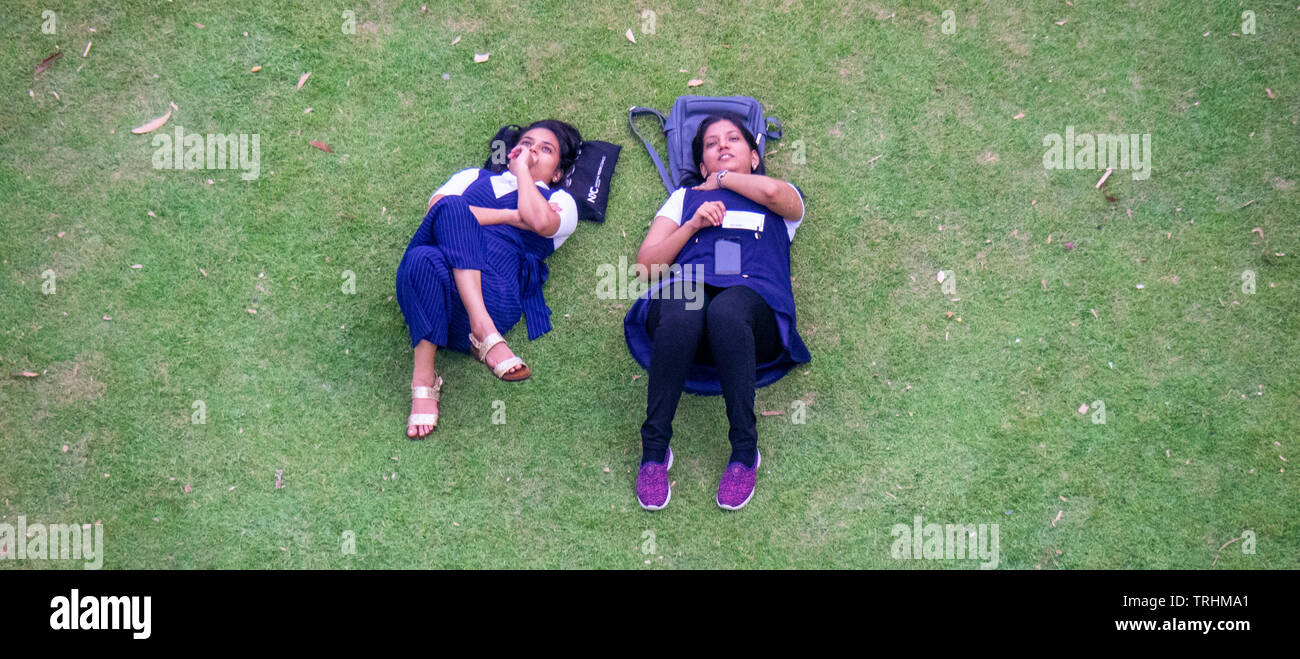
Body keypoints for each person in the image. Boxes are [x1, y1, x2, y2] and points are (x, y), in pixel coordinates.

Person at [625, 113, 810, 510]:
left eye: (733, 140)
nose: (723, 146)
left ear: (755, 157)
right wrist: (691, 225)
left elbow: (781, 195)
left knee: (728, 308)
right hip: (687, 319)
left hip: (749, 314)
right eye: (712, 144)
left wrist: (724, 181)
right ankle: (654, 451)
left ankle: (745, 451)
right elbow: (645, 268)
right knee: (684, 304)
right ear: (702, 164)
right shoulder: (683, 199)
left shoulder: (779, 194)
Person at [396, 120, 582, 438]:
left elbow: (540, 221)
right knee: (423, 253)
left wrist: (523, 171)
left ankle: (481, 325)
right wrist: (510, 217)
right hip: (430, 290)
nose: (533, 150)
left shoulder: (561, 202)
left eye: (546, 149)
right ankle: (427, 375)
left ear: (557, 174)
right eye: (527, 143)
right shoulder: (472, 177)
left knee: (454, 214)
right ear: (510, 152)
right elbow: (436, 212)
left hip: (496, 294)